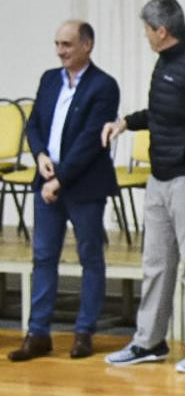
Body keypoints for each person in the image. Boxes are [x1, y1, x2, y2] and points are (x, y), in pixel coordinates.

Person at [100, 0, 185, 373]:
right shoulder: (166, 63)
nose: (145, 37)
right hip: (161, 176)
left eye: (146, 31)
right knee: (155, 263)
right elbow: (163, 114)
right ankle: (149, 341)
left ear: (161, 30)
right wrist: (127, 121)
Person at [8, 21, 119, 362]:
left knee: (90, 258)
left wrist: (61, 179)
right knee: (42, 258)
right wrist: (40, 155)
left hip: (82, 185)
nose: (60, 51)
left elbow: (89, 141)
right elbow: (35, 124)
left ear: (87, 45)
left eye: (67, 44)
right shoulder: (48, 79)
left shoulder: (103, 86)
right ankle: (37, 333)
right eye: (57, 44)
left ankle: (84, 332)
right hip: (47, 181)